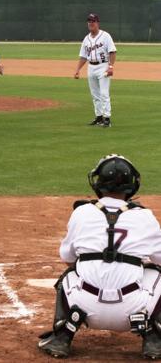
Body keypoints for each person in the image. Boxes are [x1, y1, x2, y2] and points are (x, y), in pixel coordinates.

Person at [38, 154, 161, 360]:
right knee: (156, 274)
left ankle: (62, 336)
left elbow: (67, 256)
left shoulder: (82, 212)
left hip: (85, 309)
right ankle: (153, 338)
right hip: (132, 312)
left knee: (68, 275)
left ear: (98, 182)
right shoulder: (144, 216)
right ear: (133, 185)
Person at [74, 13, 116, 127]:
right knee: (95, 94)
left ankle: (107, 118)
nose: (90, 23)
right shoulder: (86, 39)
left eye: (93, 21)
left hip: (103, 66)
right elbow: (83, 56)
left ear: (97, 23)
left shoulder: (105, 36)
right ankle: (99, 117)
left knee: (103, 93)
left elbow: (112, 51)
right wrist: (78, 69)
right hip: (91, 67)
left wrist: (111, 66)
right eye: (89, 21)